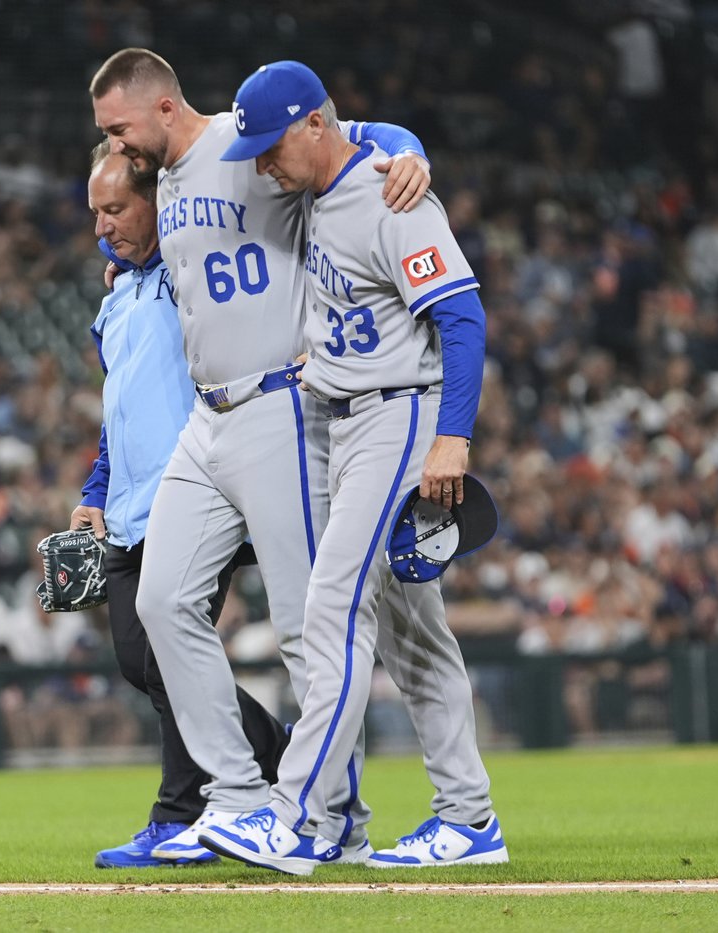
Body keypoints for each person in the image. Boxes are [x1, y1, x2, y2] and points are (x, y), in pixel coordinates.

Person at [90, 48, 431, 862]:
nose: (114, 142)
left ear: (165, 108)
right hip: (207, 422)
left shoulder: (240, 145)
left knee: (303, 628)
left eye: (120, 127)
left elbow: (350, 130)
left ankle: (332, 816)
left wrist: (411, 148)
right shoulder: (162, 178)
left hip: (280, 406)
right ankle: (237, 796)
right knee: (161, 600)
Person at [199, 61, 505, 874]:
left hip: (402, 414)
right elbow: (368, 138)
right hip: (346, 413)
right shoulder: (327, 186)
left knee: (332, 607)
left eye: (273, 144)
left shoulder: (388, 193)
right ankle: (469, 818)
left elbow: (463, 318)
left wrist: (453, 437)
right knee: (414, 635)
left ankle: (293, 817)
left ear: (314, 125)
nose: (263, 161)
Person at [71, 144, 288, 868]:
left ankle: (181, 813)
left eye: (116, 209)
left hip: (196, 491)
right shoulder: (114, 300)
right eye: (96, 212)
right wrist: (94, 494)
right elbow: (117, 412)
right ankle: (274, 750)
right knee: (140, 659)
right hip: (131, 506)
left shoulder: (192, 273)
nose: (103, 227)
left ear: (155, 202)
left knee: (167, 647)